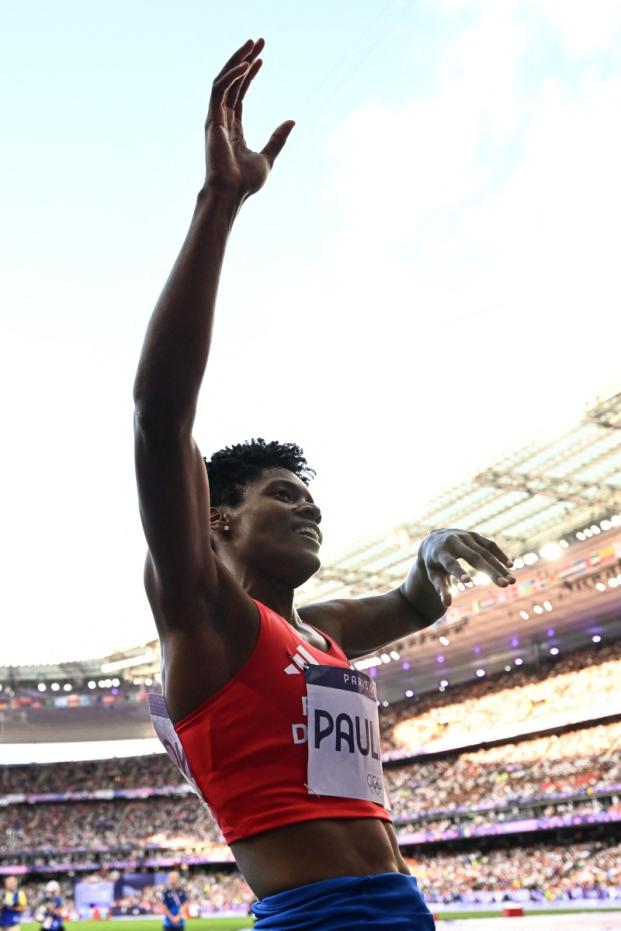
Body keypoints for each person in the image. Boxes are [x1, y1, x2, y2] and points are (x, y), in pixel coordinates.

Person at [134, 38, 516, 930]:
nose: (307, 507)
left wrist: (428, 557)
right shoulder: (205, 618)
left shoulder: (323, 628)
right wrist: (220, 204)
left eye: (310, 496)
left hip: (401, 904)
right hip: (319, 918)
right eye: (281, 494)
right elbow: (160, 415)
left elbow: (415, 603)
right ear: (218, 519)